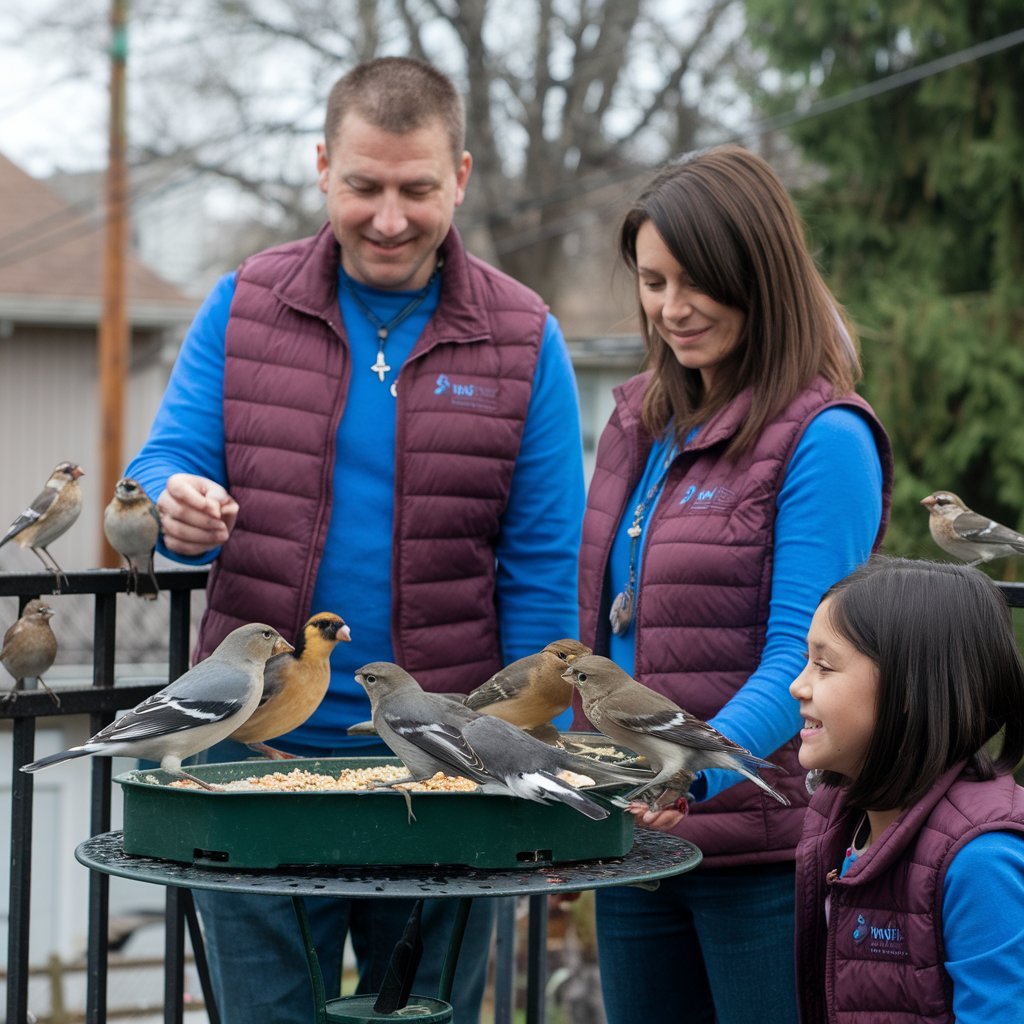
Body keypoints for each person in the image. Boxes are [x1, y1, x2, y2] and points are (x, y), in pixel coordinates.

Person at [126, 56, 585, 1024]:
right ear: (323, 166)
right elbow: (171, 451)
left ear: (458, 176)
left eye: (417, 190)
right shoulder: (245, 303)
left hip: (450, 778)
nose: (389, 218)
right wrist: (178, 498)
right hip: (249, 773)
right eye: (364, 187)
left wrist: (542, 760)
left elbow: (545, 567)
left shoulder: (522, 333)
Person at [572, 145, 893, 1024]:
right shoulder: (637, 419)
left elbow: (805, 657)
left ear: (758, 272)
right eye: (652, 281)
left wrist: (688, 779)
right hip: (634, 842)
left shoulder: (824, 439)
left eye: (697, 281)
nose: (672, 308)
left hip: (759, 854)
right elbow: (602, 636)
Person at [790, 556, 1024, 1022]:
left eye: (825, 666)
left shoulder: (983, 861)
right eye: (805, 662)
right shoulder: (838, 821)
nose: (799, 686)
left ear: (909, 691)